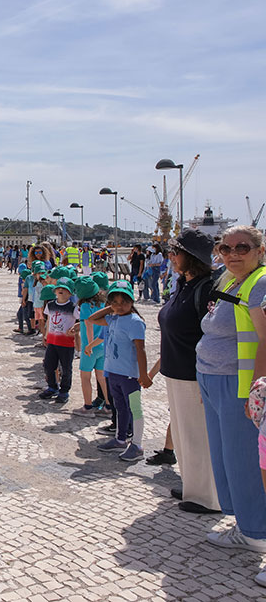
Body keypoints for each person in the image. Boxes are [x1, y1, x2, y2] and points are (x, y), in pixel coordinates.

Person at [195, 225, 266, 562]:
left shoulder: (259, 282)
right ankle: (245, 523)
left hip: (239, 384)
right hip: (214, 378)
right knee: (226, 459)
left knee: (243, 461)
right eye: (226, 248)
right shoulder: (228, 279)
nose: (233, 253)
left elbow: (265, 339)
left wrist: (256, 391)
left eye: (243, 247)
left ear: (260, 251)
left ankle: (256, 532)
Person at [144, 228, 220, 512]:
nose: (170, 258)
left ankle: (208, 497)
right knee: (184, 432)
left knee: (198, 435)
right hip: (176, 373)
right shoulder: (184, 283)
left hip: (194, 374)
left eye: (175, 253)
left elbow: (211, 334)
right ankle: (193, 487)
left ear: (191, 257)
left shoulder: (207, 287)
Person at [87, 280, 149, 462]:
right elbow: (92, 319)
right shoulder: (113, 318)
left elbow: (140, 349)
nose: (120, 306)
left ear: (132, 301)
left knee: (135, 409)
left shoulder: (135, 322)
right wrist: (110, 308)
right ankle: (121, 439)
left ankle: (137, 444)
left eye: (124, 302)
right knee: (120, 407)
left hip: (129, 374)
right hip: (113, 372)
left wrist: (143, 374)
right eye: (115, 302)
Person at [72, 277, 108, 418]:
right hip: (102, 345)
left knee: (85, 377)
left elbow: (89, 326)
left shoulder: (86, 306)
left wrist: (89, 345)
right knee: (102, 377)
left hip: (90, 348)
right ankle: (108, 406)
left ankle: (87, 407)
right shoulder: (103, 303)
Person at [39, 278, 77, 404]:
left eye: (65, 289)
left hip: (66, 344)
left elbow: (81, 321)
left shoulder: (73, 308)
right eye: (59, 288)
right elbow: (49, 320)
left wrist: (75, 330)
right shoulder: (50, 305)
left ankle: (64, 391)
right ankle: (52, 387)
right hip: (53, 341)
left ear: (70, 293)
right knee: (49, 365)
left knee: (66, 368)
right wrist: (46, 336)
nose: (61, 290)